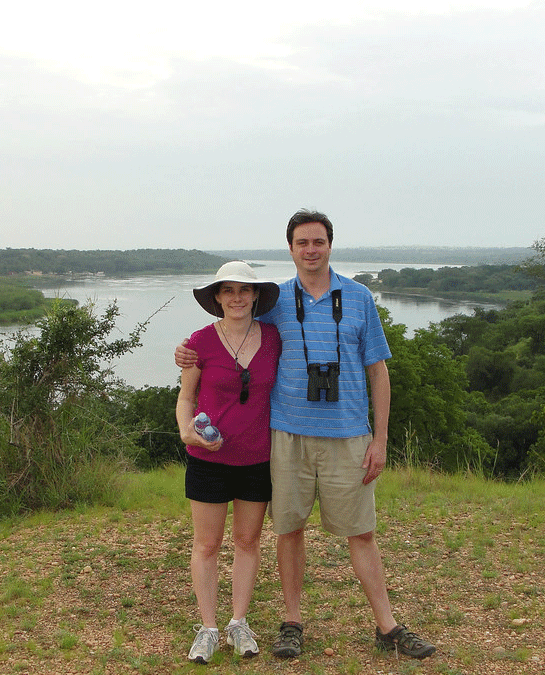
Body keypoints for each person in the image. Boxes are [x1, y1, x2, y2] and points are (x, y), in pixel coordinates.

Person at [175, 210, 436, 660]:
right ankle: (292, 622)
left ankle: (387, 626)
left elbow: (379, 370)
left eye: (318, 241)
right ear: (291, 249)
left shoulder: (358, 299)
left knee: (361, 532)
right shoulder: (274, 302)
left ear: (330, 245)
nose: (310, 250)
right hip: (287, 437)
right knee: (288, 530)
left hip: (348, 434)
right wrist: (185, 353)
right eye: (302, 243)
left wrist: (381, 439)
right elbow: (227, 335)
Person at [176, 260, 282, 664]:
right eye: (228, 290)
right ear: (217, 297)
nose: (236, 297)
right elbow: (186, 398)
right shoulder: (200, 341)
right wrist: (186, 430)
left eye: (244, 290)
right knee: (206, 545)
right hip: (208, 459)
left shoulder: (273, 337)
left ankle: (239, 621)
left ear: (256, 295)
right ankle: (208, 627)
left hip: (257, 458)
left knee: (247, 542)